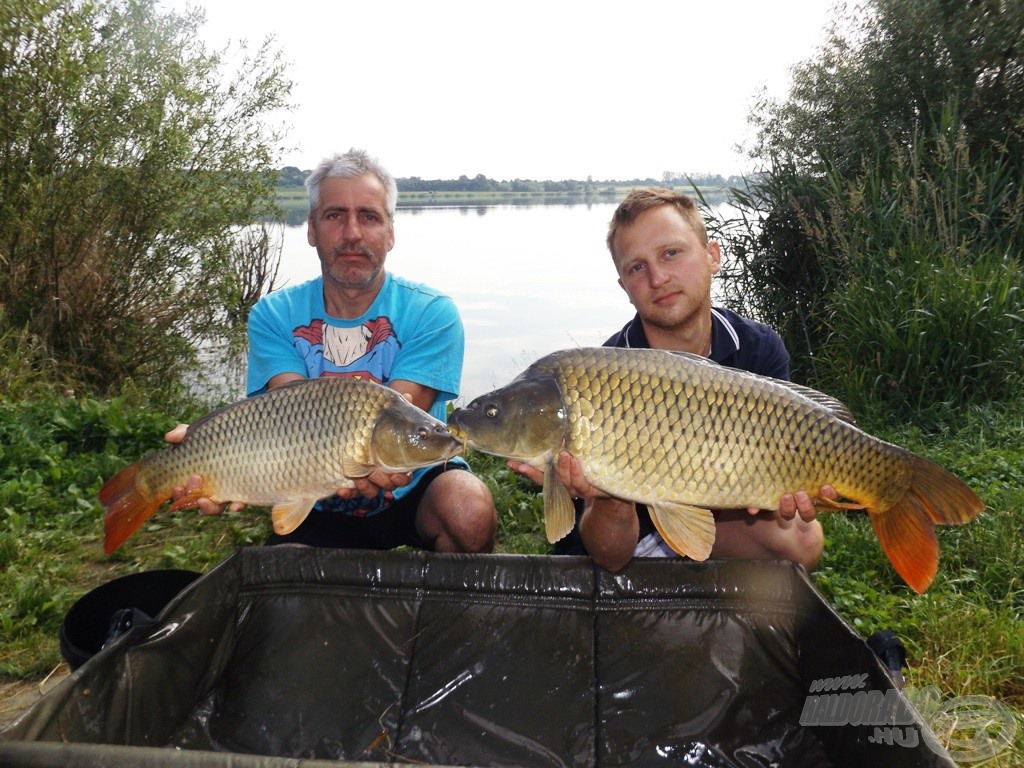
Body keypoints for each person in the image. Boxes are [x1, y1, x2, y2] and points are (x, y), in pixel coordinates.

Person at [169, 148, 497, 553]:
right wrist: (214, 446)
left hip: (411, 486)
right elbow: (290, 410)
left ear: (391, 232)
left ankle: (450, 614)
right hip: (313, 491)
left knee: (468, 508)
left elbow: (403, 413)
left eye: (369, 217)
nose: (353, 233)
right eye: (335, 215)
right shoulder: (273, 314)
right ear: (311, 229)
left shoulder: (432, 312)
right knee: (287, 577)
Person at [509, 187, 832, 572]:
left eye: (671, 254)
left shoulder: (757, 348)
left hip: (718, 519)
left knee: (803, 539)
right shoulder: (596, 379)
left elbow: (783, 471)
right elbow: (610, 554)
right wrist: (609, 492)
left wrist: (798, 482)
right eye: (637, 267)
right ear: (624, 288)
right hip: (626, 542)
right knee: (613, 561)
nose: (658, 277)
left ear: (712, 255)